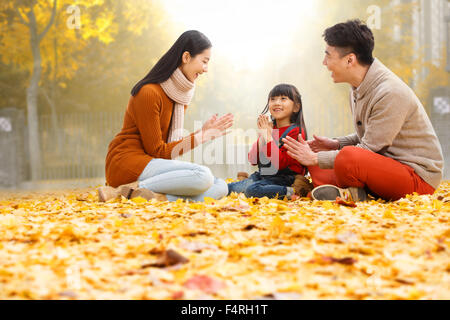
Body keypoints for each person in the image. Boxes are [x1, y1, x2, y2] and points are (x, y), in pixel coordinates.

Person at [282, 20, 444, 202]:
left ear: (350, 60)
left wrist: (317, 157)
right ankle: (350, 192)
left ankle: (348, 190)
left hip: (417, 178)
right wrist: (335, 144)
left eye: (328, 56)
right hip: (385, 166)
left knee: (345, 158)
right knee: (319, 157)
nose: (324, 62)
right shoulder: (358, 88)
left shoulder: (390, 92)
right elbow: (372, 135)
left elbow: (369, 149)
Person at [99, 30, 234, 202]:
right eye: (204, 61)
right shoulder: (149, 93)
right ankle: (121, 191)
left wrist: (203, 132)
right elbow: (157, 150)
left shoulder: (179, 97)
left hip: (151, 164)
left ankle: (158, 197)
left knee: (220, 186)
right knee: (203, 175)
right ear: (186, 57)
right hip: (127, 162)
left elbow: (165, 149)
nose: (206, 69)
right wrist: (201, 137)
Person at [228, 84, 311, 199]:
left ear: (296, 107)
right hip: (264, 176)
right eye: (273, 99)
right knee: (229, 189)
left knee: (252, 190)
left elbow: (280, 164)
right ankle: (247, 182)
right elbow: (253, 160)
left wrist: (268, 137)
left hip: (285, 178)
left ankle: (294, 191)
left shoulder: (296, 131)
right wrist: (263, 136)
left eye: (283, 99)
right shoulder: (269, 129)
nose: (277, 102)